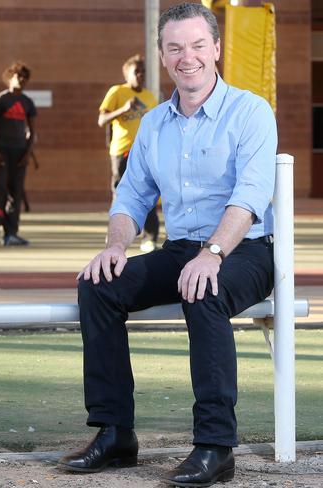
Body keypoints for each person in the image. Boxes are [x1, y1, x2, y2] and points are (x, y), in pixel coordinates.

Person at [57, 3, 277, 487]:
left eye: (198, 45)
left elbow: (250, 197)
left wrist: (213, 254)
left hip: (246, 249)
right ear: (162, 54)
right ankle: (115, 434)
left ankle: (216, 447)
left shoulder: (251, 111)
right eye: (175, 47)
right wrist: (116, 246)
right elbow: (131, 196)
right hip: (182, 249)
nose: (187, 56)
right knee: (98, 285)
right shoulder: (153, 123)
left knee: (203, 288)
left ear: (216, 48)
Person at [98, 54, 160, 253]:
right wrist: (123, 110)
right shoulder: (117, 92)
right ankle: (117, 233)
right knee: (121, 193)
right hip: (122, 151)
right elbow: (102, 120)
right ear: (127, 75)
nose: (140, 75)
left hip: (144, 153)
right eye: (136, 72)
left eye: (143, 72)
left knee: (148, 192)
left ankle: (149, 237)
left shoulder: (150, 97)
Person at [0, 61, 37, 246]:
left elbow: (32, 131)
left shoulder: (27, 103)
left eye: (25, 78)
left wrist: (27, 153)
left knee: (16, 193)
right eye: (18, 76)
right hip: (2, 151)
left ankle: (11, 233)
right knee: (0, 191)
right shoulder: (1, 99)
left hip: (19, 152)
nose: (21, 80)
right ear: (10, 77)